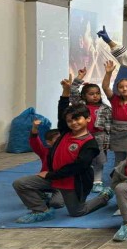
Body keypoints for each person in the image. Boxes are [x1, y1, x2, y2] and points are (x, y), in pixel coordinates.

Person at [12, 77, 113, 223]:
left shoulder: (90, 144)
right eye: (70, 120)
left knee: (77, 212)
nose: (73, 123)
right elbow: (62, 112)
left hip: (73, 182)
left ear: (88, 119)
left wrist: (51, 175)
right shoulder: (65, 132)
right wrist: (65, 91)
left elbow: (77, 167)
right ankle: (41, 210)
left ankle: (104, 197)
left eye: (77, 119)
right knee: (20, 183)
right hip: (54, 178)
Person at [70, 67, 112, 193]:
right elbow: (73, 92)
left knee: (99, 160)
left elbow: (108, 126)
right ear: (84, 95)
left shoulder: (105, 108)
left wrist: (107, 142)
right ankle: (83, 179)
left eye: (97, 93)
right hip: (83, 137)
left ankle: (97, 181)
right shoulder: (80, 106)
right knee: (82, 158)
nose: (95, 96)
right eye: (91, 94)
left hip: (99, 137)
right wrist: (79, 78)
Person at [102, 60, 127, 166]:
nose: (124, 89)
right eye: (121, 87)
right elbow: (105, 87)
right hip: (117, 133)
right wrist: (108, 73)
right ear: (117, 89)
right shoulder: (115, 100)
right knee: (119, 161)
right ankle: (118, 175)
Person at [28, 120, 64, 210]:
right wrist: (35, 127)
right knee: (25, 184)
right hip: (47, 180)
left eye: (61, 138)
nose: (60, 141)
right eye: (57, 139)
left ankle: (69, 195)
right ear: (48, 142)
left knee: (56, 203)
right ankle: (42, 196)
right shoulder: (45, 151)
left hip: (62, 183)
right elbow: (34, 142)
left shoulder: (68, 151)